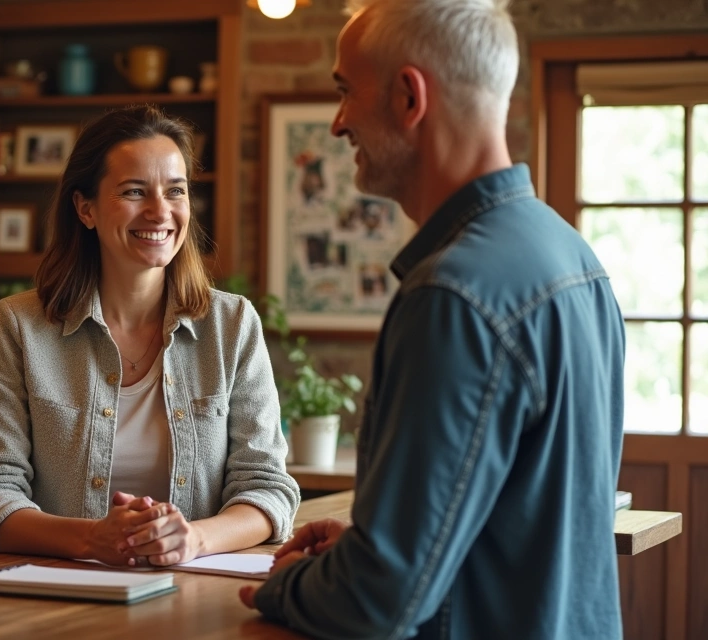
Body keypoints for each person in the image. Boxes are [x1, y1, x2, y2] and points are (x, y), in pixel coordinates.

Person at [240, 1, 626, 638]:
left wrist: (288, 583)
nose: (338, 124)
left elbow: (379, 599)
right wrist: (369, 551)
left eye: (344, 92)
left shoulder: (453, 295)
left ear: (408, 97)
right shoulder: (574, 258)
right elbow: (523, 528)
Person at [0, 105, 300, 567]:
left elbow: (267, 488)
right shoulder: (19, 326)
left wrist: (191, 540)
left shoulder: (233, 325)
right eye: (134, 191)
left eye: (175, 191)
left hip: (196, 596)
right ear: (86, 208)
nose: (160, 211)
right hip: (59, 603)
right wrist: (91, 541)